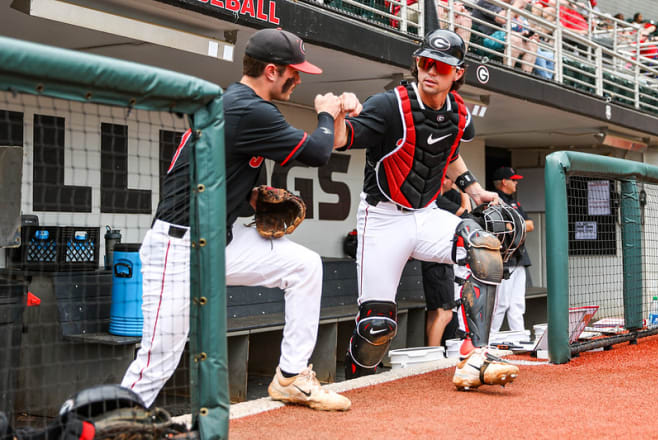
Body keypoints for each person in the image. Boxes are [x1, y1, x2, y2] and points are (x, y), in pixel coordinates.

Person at [121, 28, 361, 411]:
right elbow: (318, 151)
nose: (298, 78)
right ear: (270, 70)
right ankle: (92, 428)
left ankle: (292, 377)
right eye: (293, 71)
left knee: (303, 266)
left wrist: (252, 199)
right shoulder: (246, 108)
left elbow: (225, 181)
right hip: (179, 248)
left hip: (220, 239)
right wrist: (326, 114)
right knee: (156, 362)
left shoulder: (241, 106)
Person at [334, 29, 520, 390]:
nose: (430, 71)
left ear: (458, 72)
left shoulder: (459, 115)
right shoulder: (389, 105)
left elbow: (448, 153)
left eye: (440, 65)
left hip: (427, 214)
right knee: (376, 327)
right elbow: (343, 139)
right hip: (383, 218)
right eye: (424, 62)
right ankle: (354, 386)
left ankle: (475, 355)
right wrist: (338, 115)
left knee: (483, 248)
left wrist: (474, 188)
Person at [421, 177, 471, 347]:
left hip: (431, 260)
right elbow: (467, 215)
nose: (452, 182)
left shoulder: (431, 199)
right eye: (449, 177)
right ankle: (433, 354)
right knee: (445, 314)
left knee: (435, 313)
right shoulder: (437, 200)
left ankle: (431, 352)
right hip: (438, 262)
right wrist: (465, 190)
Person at [490, 166, 534, 333]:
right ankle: (489, 339)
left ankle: (518, 337)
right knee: (501, 303)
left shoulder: (514, 202)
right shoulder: (495, 200)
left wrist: (516, 225)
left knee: (517, 303)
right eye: (513, 180)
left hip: (519, 257)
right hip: (503, 258)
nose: (516, 183)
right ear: (504, 182)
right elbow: (505, 227)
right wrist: (518, 225)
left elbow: (530, 225)